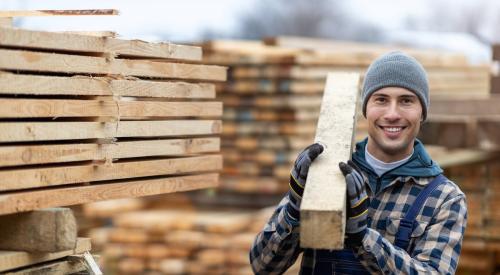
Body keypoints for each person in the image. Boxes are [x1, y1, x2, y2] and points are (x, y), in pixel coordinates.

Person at [249, 51, 467, 274]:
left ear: (422, 113)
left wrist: (363, 237)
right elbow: (263, 266)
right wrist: (294, 209)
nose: (392, 114)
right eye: (381, 100)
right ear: (366, 109)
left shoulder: (444, 198)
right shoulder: (326, 172)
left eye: (406, 101)